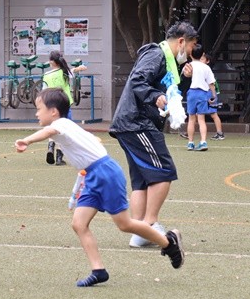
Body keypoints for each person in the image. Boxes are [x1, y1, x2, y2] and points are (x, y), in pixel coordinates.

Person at [15, 88, 184, 287]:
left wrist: (27, 140)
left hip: (105, 173)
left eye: (39, 109)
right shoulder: (66, 126)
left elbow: (49, 131)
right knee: (79, 224)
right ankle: (99, 270)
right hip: (93, 176)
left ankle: (168, 242)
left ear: (53, 112)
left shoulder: (59, 124)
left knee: (125, 224)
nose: (36, 113)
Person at [110, 21, 198, 248]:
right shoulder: (156, 54)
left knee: (142, 180)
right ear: (181, 41)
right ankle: (150, 224)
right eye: (190, 47)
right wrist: (153, 96)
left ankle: (139, 230)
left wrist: (184, 77)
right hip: (137, 123)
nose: (190, 53)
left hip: (131, 124)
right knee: (164, 172)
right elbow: (139, 80)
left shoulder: (168, 62)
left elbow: (170, 92)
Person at [42, 50, 86, 166]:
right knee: (64, 130)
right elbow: (73, 71)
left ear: (51, 62)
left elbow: (43, 91)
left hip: (52, 105)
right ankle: (59, 158)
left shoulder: (46, 75)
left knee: (53, 129)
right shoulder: (64, 72)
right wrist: (80, 68)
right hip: (65, 104)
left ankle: (50, 147)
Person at [185, 45, 216, 151]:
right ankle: (203, 141)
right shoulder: (206, 67)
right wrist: (214, 95)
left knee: (191, 119)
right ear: (203, 54)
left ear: (190, 55)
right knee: (201, 119)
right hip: (202, 93)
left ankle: (190, 142)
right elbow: (211, 83)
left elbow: (186, 75)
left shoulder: (189, 65)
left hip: (192, 93)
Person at [202, 53, 225, 141]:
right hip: (206, 92)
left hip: (210, 92)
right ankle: (189, 132)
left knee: (213, 114)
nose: (200, 61)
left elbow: (212, 84)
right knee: (197, 113)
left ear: (207, 61)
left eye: (202, 59)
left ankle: (220, 133)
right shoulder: (203, 69)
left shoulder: (207, 70)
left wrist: (213, 95)